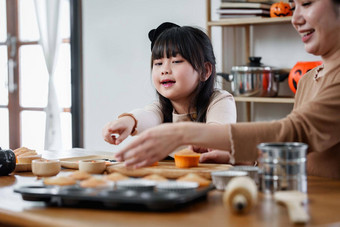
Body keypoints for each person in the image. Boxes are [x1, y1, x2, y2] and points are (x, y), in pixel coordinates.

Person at [115, 0, 340, 179]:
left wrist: (183, 132)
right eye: (294, 5)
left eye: (307, 3)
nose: (295, 18)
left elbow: (295, 132)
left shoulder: (219, 99)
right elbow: (295, 150)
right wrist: (239, 157)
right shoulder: (309, 78)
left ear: (205, 71)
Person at [103, 22, 237, 164]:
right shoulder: (161, 108)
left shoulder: (220, 100)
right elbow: (146, 116)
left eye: (177, 61)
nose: (164, 70)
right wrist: (128, 121)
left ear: (205, 71)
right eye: (158, 63)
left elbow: (219, 133)